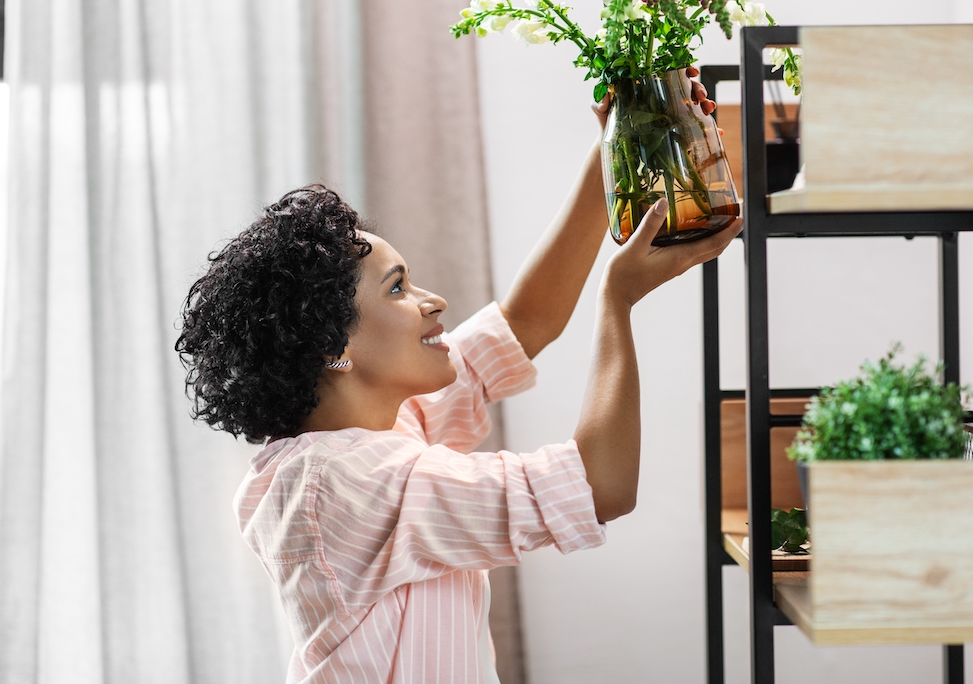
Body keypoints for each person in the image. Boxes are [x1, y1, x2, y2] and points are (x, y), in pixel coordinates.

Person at [175, 81, 740, 684]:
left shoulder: (375, 433)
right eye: (397, 287)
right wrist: (617, 301)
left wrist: (614, 150)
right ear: (335, 347)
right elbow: (602, 486)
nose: (433, 300)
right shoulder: (343, 482)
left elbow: (524, 324)